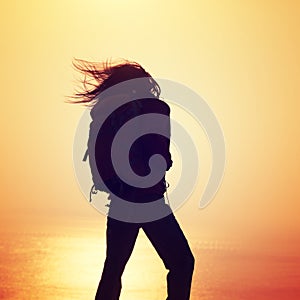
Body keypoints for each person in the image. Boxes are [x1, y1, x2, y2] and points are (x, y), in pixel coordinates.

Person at [70, 59, 194, 300]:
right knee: (182, 262)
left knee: (114, 269)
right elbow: (159, 157)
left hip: (119, 201)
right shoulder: (154, 109)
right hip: (148, 201)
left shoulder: (107, 111)